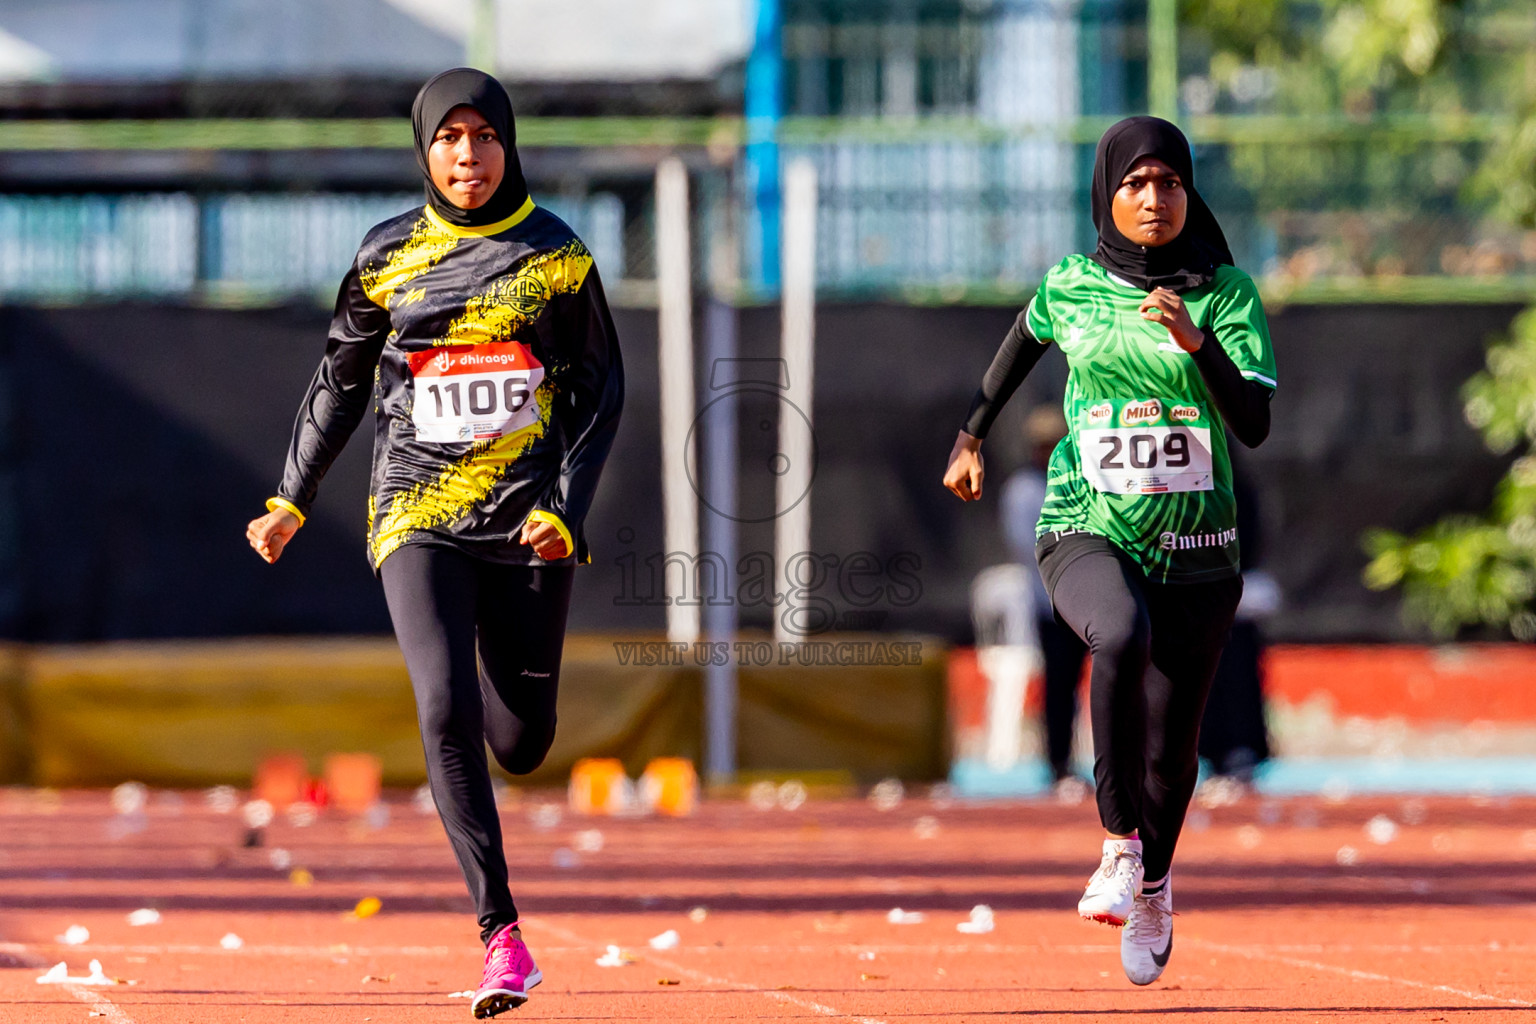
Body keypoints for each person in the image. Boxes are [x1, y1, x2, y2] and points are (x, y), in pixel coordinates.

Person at [245, 68, 623, 1019]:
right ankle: (503, 936)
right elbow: (338, 381)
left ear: (508, 143)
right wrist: (293, 495)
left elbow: (600, 392)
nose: (468, 156)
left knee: (521, 741)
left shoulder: (557, 256)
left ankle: (516, 710)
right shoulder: (385, 256)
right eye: (449, 139)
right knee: (444, 703)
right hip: (413, 510)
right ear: (425, 150)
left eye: (483, 137)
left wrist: (567, 508)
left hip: (528, 519)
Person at [943, 116, 1275, 986]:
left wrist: (1198, 346)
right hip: (1085, 518)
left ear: (1188, 193)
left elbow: (1255, 424)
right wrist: (972, 435)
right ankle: (1118, 847)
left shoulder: (1226, 293)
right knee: (1115, 633)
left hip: (1197, 546)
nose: (1153, 199)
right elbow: (1020, 344)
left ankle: (1157, 885)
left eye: (1168, 182)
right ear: (1108, 195)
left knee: (1174, 754)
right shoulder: (1072, 284)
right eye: (1135, 184)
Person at [999, 406, 1090, 797]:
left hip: (1087, 600)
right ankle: (1058, 763)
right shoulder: (1024, 490)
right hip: (1051, 604)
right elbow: (1028, 546)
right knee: (1059, 686)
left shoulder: (1084, 481)